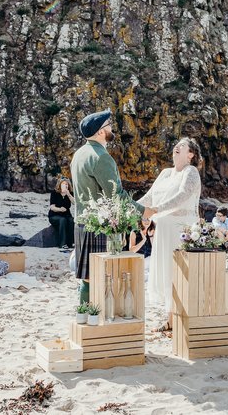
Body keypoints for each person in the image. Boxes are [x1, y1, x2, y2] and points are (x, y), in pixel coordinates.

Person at [70, 109, 156, 304]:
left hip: (82, 222)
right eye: (108, 125)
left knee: (87, 276)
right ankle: (96, 318)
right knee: (101, 275)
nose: (111, 128)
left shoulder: (79, 154)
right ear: (101, 132)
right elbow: (115, 195)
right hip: (100, 225)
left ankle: (84, 316)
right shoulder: (101, 157)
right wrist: (144, 211)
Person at [139, 137, 203, 333]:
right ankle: (170, 321)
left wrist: (156, 210)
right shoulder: (166, 173)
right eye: (177, 144)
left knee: (179, 274)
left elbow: (183, 195)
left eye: (182, 145)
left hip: (181, 230)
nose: (177, 146)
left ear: (190, 154)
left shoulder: (190, 172)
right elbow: (148, 197)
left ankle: (181, 320)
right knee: (167, 273)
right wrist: (130, 209)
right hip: (164, 230)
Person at [48, 177, 75, 248]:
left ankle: (71, 243)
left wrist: (68, 194)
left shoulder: (70, 193)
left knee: (71, 220)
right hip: (54, 215)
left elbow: (74, 203)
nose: (65, 186)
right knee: (62, 220)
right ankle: (62, 243)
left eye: (67, 184)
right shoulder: (54, 193)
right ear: (59, 185)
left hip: (66, 215)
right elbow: (52, 207)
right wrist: (60, 209)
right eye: (63, 184)